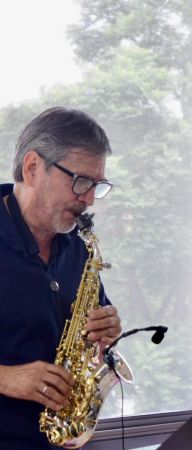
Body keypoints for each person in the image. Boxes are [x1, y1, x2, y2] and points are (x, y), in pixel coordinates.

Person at [0, 107, 122, 449]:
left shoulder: (79, 248)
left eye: (96, 186)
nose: (88, 199)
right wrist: (6, 378)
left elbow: (91, 333)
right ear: (32, 168)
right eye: (80, 181)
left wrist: (108, 329)